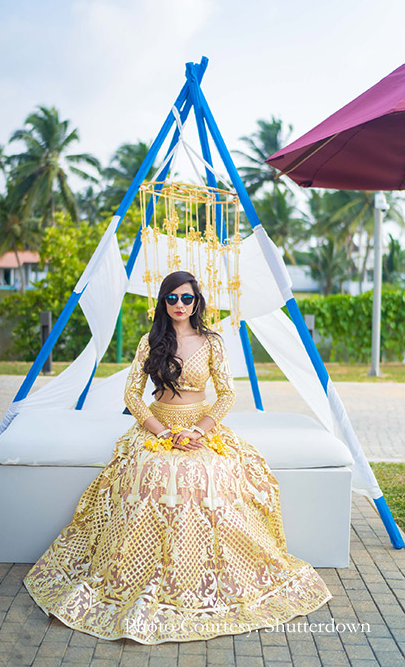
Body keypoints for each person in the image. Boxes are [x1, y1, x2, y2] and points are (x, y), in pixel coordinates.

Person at [24, 270, 332, 644]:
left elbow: (227, 396)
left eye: (186, 298)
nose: (180, 305)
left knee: (211, 475)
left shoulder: (212, 343)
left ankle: (199, 576)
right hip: (158, 426)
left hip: (200, 426)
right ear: (163, 302)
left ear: (197, 301)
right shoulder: (150, 342)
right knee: (149, 473)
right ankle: (139, 576)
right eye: (172, 299)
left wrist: (199, 430)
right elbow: (132, 396)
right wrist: (163, 431)